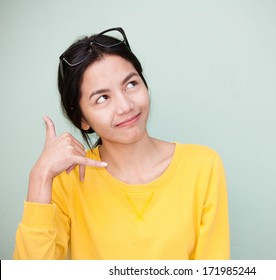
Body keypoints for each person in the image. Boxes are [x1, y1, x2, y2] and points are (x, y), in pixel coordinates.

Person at [13, 27, 230, 260]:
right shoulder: (68, 179)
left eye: (131, 84)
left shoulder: (203, 166)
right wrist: (40, 176)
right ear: (82, 119)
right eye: (103, 98)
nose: (126, 106)